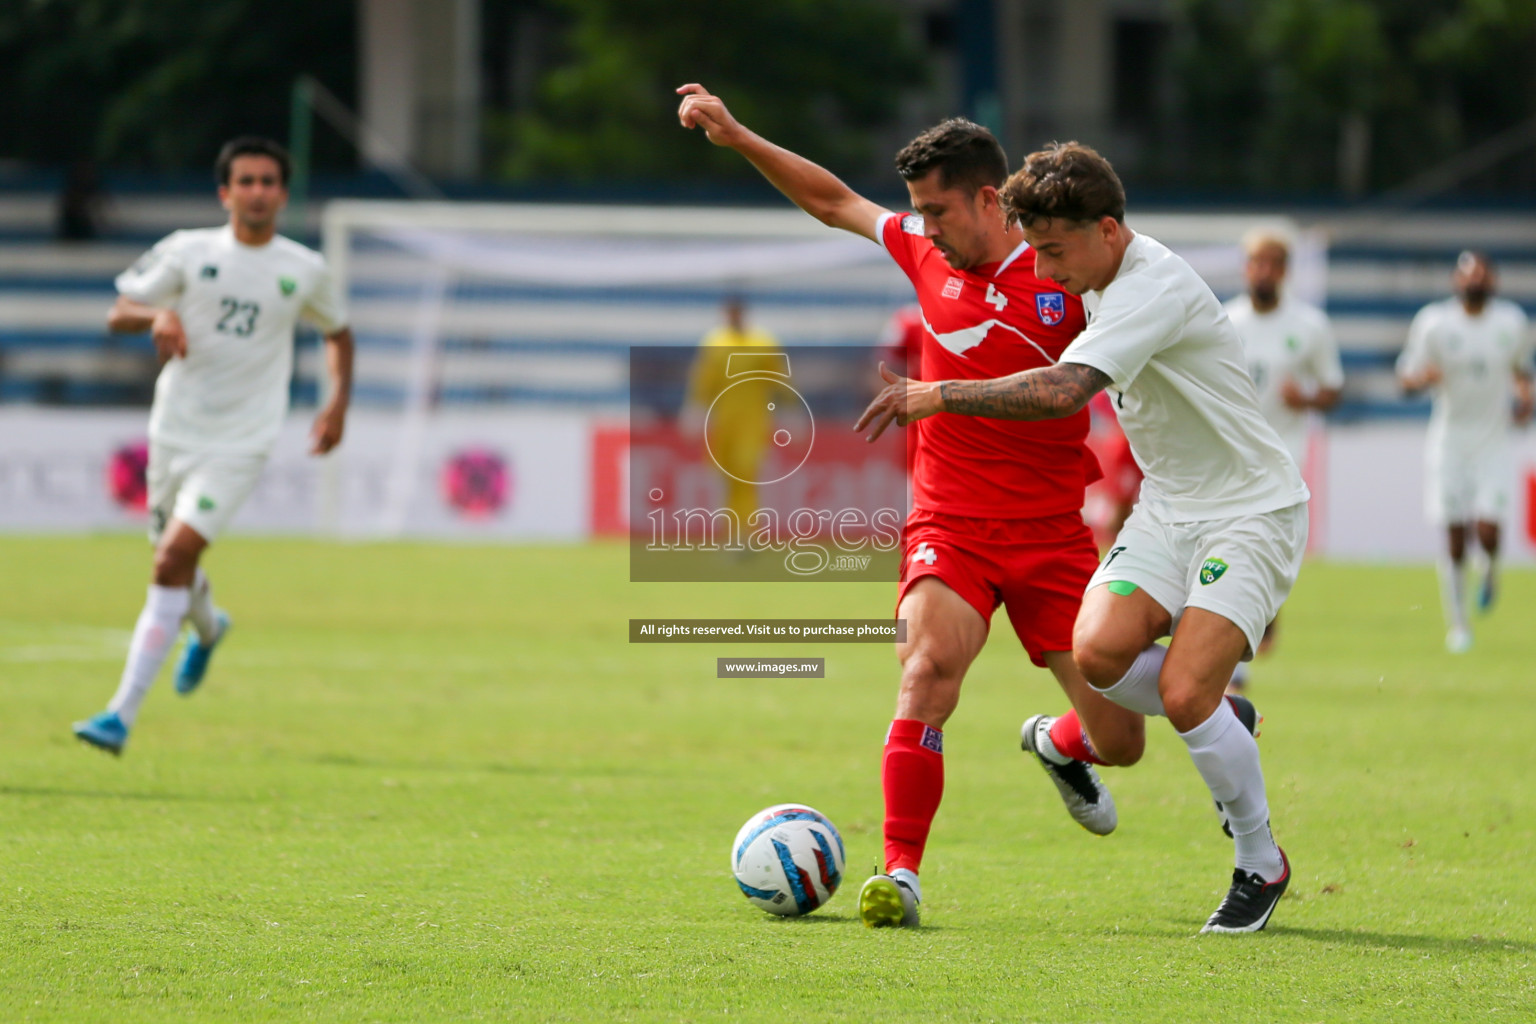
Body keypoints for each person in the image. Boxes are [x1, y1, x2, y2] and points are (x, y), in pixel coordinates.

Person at [678, 83, 1151, 932]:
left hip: (1052, 535)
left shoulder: (1070, 273)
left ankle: (1058, 741)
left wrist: (945, 395)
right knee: (926, 672)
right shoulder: (923, 252)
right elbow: (833, 201)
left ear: (987, 198)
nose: (922, 228)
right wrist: (740, 134)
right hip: (951, 525)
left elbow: (1068, 391)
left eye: (937, 212)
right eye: (916, 213)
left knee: (1121, 740)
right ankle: (902, 873)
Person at [859, 141, 1306, 934]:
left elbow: (1066, 388)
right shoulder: (1091, 273)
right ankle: (1073, 740)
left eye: (1057, 252)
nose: (1049, 270)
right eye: (1037, 252)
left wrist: (942, 395)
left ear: (1106, 230)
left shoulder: (1149, 289)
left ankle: (1259, 861)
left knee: (1184, 694)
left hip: (1249, 508)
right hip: (1171, 508)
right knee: (1098, 655)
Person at [73, 137, 354, 755]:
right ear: (225, 193)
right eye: (246, 181)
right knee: (174, 562)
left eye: (268, 182)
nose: (257, 192)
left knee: (170, 559)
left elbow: (338, 333)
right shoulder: (188, 251)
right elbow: (120, 309)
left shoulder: (304, 268)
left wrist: (336, 403)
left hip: (242, 440)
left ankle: (119, 715)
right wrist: (158, 318)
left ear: (284, 193)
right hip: (174, 430)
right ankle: (209, 626)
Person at [1223, 229, 1343, 687]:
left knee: (1261, 552)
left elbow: (1333, 389)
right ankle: (1236, 660)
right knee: (1236, 551)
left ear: (1286, 271)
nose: (1263, 271)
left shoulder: (1308, 326)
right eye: (1257, 262)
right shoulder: (1226, 321)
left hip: (1283, 455)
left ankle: (1260, 621)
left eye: (1273, 263)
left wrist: (1308, 398)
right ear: (1245, 267)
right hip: (1233, 453)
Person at [1397, 251, 1533, 654]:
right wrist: (1424, 378)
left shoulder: (1511, 323)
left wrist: (1525, 397)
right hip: (1449, 440)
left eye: (1483, 275)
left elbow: (1521, 371)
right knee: (1455, 536)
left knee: (1488, 530)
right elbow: (1406, 379)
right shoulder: (1434, 323)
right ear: (1457, 281)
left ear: (1494, 282)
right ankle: (1458, 625)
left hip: (1493, 439)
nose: (1476, 282)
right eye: (1469, 275)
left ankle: (1490, 570)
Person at [682, 296, 783, 526]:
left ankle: (746, 532)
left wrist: (791, 410)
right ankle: (730, 531)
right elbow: (703, 381)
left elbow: (779, 380)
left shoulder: (763, 342)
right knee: (725, 478)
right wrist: (695, 410)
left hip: (753, 422)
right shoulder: (715, 342)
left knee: (745, 474)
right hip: (723, 422)